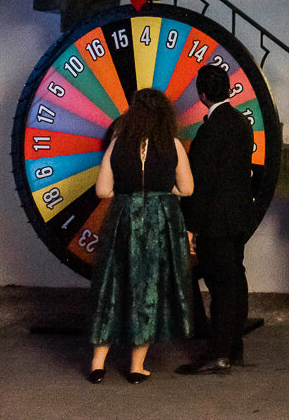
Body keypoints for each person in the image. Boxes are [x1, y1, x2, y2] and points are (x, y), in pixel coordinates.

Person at [88, 88, 195, 385]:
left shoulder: (117, 144)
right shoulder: (172, 144)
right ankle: (136, 367)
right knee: (149, 289)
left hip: (124, 219)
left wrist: (129, 193)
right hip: (161, 222)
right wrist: (162, 192)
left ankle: (98, 364)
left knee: (113, 286)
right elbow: (187, 189)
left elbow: (102, 191)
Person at [175, 64, 254, 376]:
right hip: (237, 219)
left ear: (202, 94)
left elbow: (201, 184)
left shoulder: (209, 129)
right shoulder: (240, 123)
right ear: (229, 90)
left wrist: (190, 225)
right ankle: (234, 347)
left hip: (215, 222)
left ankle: (218, 354)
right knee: (235, 281)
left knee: (220, 287)